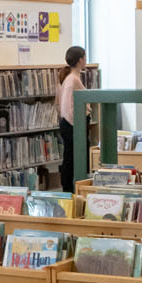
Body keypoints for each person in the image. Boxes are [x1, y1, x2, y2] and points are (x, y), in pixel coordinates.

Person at [56, 46, 88, 195]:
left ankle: (73, 187)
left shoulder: (74, 78)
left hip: (74, 124)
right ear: (81, 60)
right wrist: (77, 126)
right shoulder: (72, 80)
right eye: (85, 57)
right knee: (70, 158)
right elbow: (66, 108)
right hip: (72, 125)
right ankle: (68, 189)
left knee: (73, 157)